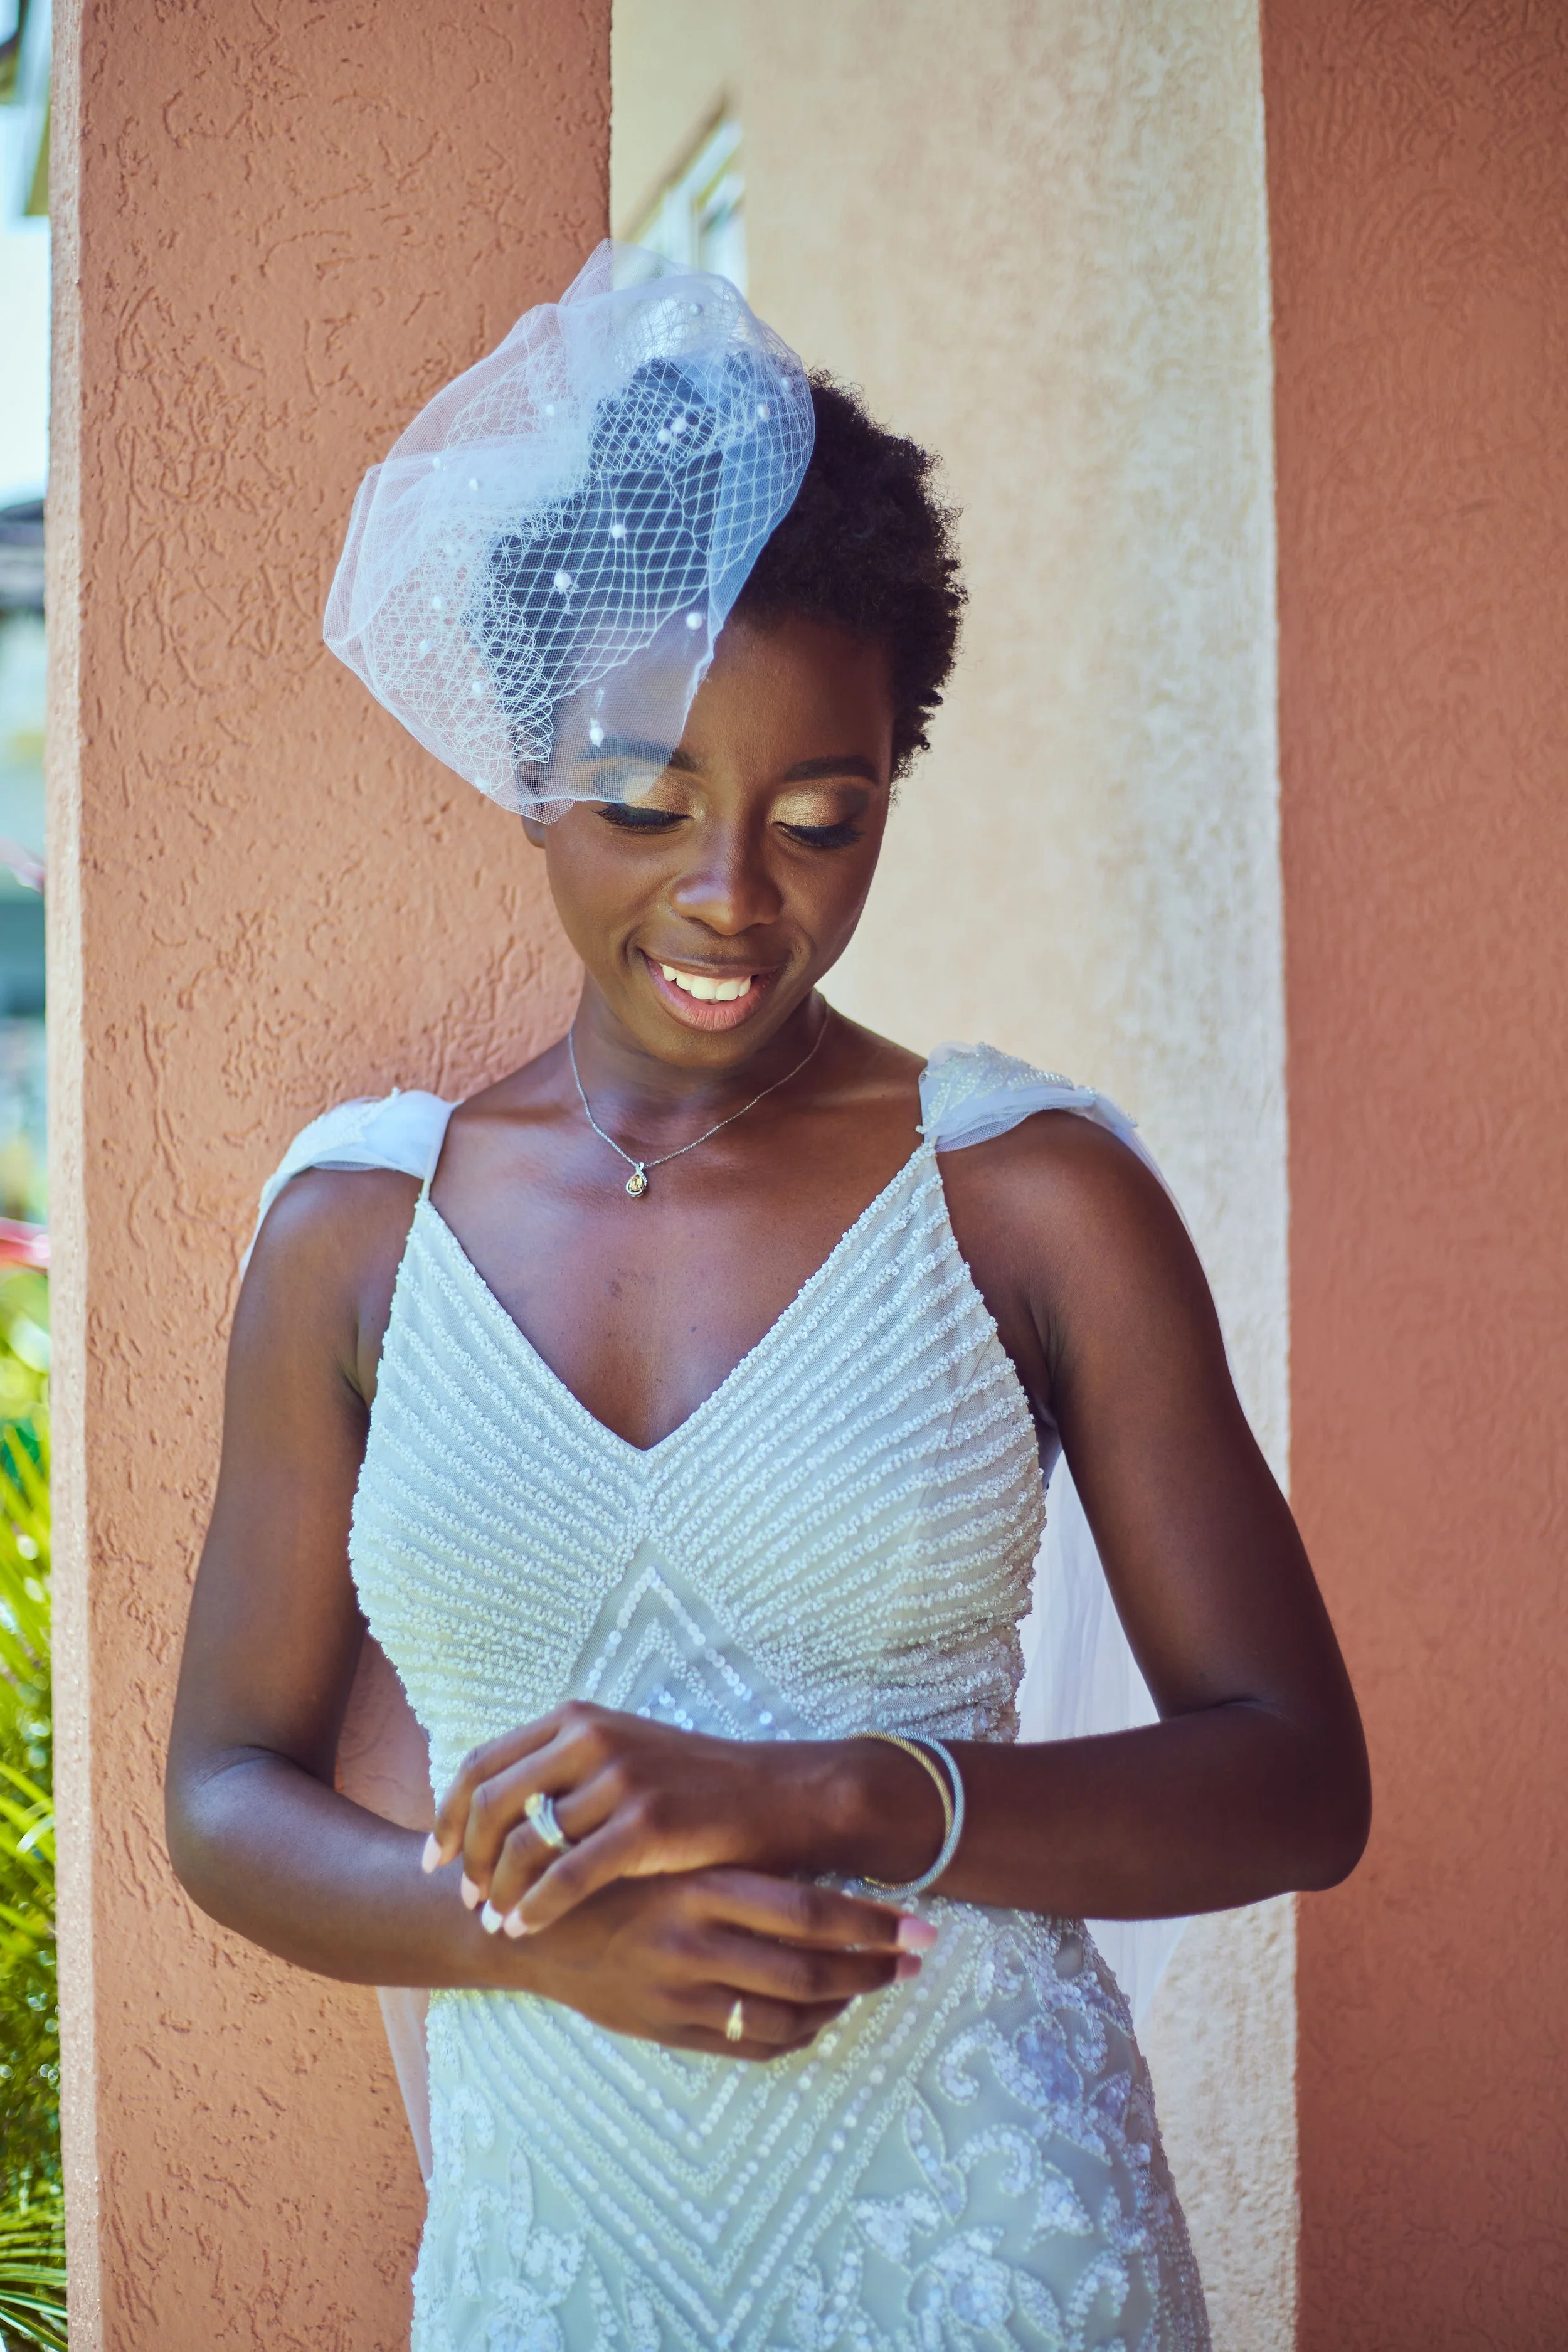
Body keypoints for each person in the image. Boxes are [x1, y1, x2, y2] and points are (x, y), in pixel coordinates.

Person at [166, 246, 1369, 2352]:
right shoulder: (357, 1238)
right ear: (532, 761)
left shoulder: (1024, 1199)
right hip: (561, 2260)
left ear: (890, 778)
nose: (731, 895)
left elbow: (1293, 1779)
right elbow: (224, 1794)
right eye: (645, 800)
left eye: (821, 818)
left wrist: (837, 1792)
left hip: (992, 2247)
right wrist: (519, 1940)